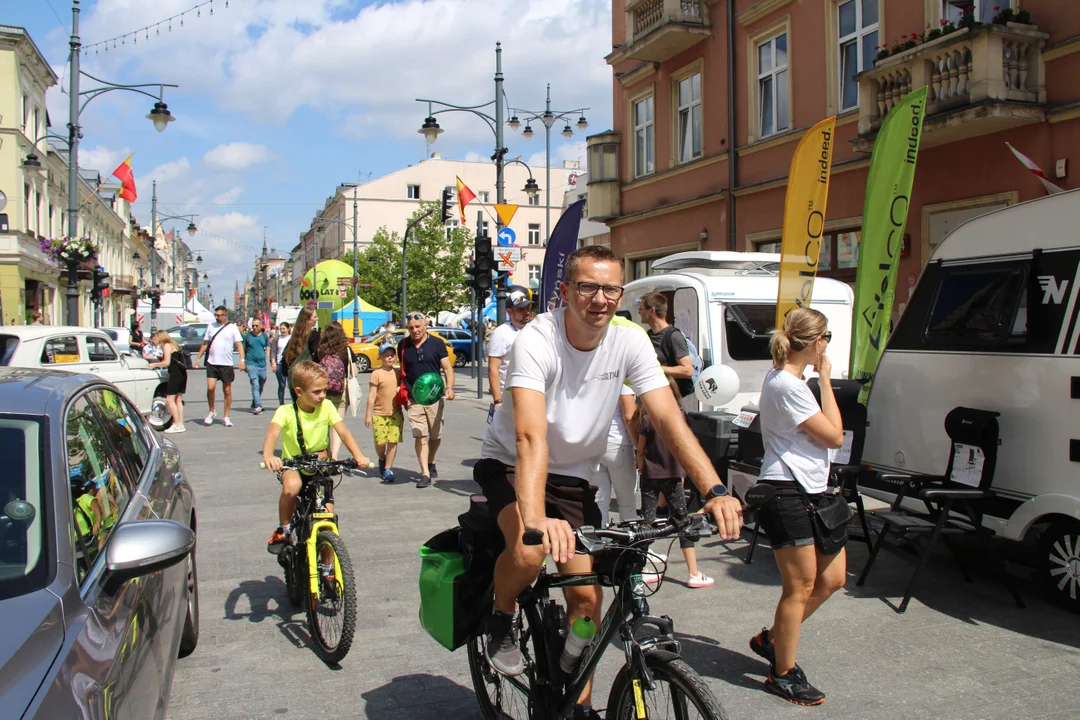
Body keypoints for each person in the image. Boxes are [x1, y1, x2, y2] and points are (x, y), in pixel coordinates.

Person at [475, 246, 743, 716]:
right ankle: (502, 611)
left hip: (577, 475)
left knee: (586, 601)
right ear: (564, 291)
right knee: (531, 547)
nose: (599, 299)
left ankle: (578, 704)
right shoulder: (537, 339)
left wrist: (714, 488)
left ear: (621, 294)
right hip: (513, 466)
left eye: (610, 289)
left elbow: (666, 416)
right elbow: (529, 436)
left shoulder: (630, 339)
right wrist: (536, 516)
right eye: (587, 287)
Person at [749, 307, 845, 707]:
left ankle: (772, 639)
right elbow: (835, 436)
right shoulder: (790, 385)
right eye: (827, 339)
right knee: (800, 586)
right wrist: (825, 380)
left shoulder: (786, 378)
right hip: (786, 490)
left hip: (812, 489)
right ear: (817, 342)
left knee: (833, 578)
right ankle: (782, 673)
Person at [261, 360, 371, 553]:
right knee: (292, 487)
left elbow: (344, 433)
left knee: (329, 521)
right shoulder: (285, 412)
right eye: (316, 392)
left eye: (324, 390)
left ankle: (328, 568)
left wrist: (359, 456)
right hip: (293, 466)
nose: (322, 396)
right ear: (299, 392)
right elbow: (272, 434)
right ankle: (284, 528)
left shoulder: (327, 406)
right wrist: (270, 456)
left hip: (319, 467)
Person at [636, 376, 713, 588]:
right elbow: (685, 447)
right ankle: (693, 572)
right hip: (672, 477)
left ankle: (642, 568)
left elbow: (641, 451)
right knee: (682, 521)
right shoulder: (680, 417)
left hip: (650, 477)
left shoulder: (646, 419)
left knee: (647, 522)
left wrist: (641, 465)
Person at [399, 313, 455, 489]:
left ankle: (431, 460)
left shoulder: (437, 343)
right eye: (411, 328)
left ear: (425, 325)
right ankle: (424, 472)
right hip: (414, 397)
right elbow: (400, 369)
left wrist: (450, 387)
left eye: (417, 327)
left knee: (435, 435)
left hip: (434, 396)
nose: (414, 331)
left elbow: (447, 368)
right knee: (420, 434)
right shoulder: (403, 345)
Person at [194, 306, 245, 427]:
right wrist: (198, 357)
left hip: (226, 364)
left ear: (225, 315)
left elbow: (239, 345)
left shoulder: (233, 328)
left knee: (227, 390)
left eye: (219, 315)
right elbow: (205, 343)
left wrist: (242, 360)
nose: (216, 317)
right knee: (210, 388)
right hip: (212, 362)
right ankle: (211, 411)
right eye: (215, 315)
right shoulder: (211, 326)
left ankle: (226, 416)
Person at [486, 286, 534, 412]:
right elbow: (493, 368)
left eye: (528, 307)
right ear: (509, 311)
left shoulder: (533, 329)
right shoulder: (502, 333)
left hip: (531, 396)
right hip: (510, 399)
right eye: (521, 309)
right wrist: (498, 400)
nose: (526, 311)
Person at [637, 293, 694, 395]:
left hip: (673, 397)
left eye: (641, 309)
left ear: (652, 311)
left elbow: (687, 370)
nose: (639, 312)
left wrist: (656, 369)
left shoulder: (674, 336)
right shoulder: (647, 336)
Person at [366, 343, 404, 483]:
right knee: (380, 443)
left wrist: (401, 388)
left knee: (393, 442)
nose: (390, 358)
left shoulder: (397, 372)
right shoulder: (376, 374)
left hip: (395, 413)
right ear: (380, 357)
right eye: (386, 355)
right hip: (379, 413)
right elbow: (371, 395)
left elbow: (403, 386)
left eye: (392, 355)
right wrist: (367, 415)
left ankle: (388, 468)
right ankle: (382, 458)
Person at [316, 321, 352, 460]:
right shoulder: (346, 350)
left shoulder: (321, 349)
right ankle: (335, 456)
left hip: (322, 391)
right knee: (338, 424)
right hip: (340, 392)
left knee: (323, 423)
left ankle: (325, 453)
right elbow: (353, 370)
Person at [147, 330, 188, 433]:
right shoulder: (173, 344)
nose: (154, 340)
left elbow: (166, 362)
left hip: (175, 374)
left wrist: (154, 365)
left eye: (156, 338)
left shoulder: (166, 345)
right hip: (182, 373)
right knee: (178, 399)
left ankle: (177, 424)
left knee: (170, 399)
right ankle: (180, 424)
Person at [281, 307, 321, 400]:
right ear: (307, 319)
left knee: (297, 408)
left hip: (293, 378)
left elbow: (284, 357)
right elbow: (317, 356)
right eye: (314, 317)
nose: (317, 319)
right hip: (308, 377)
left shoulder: (294, 336)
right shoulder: (314, 335)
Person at [243, 318, 273, 415]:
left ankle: (254, 403)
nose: (254, 328)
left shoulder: (264, 336)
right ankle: (258, 405)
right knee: (255, 384)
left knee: (261, 383)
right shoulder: (247, 336)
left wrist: (270, 360)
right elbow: (243, 349)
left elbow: (268, 348)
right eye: (253, 326)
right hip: (251, 363)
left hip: (262, 365)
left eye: (256, 326)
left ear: (261, 326)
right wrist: (243, 362)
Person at [274, 322, 291, 405]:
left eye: (284, 329)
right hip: (279, 363)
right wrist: (273, 362)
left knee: (291, 384)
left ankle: (295, 402)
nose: (282, 330)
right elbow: (273, 351)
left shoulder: (291, 338)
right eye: (281, 329)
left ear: (288, 329)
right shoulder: (277, 339)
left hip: (289, 363)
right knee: (281, 384)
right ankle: (281, 403)